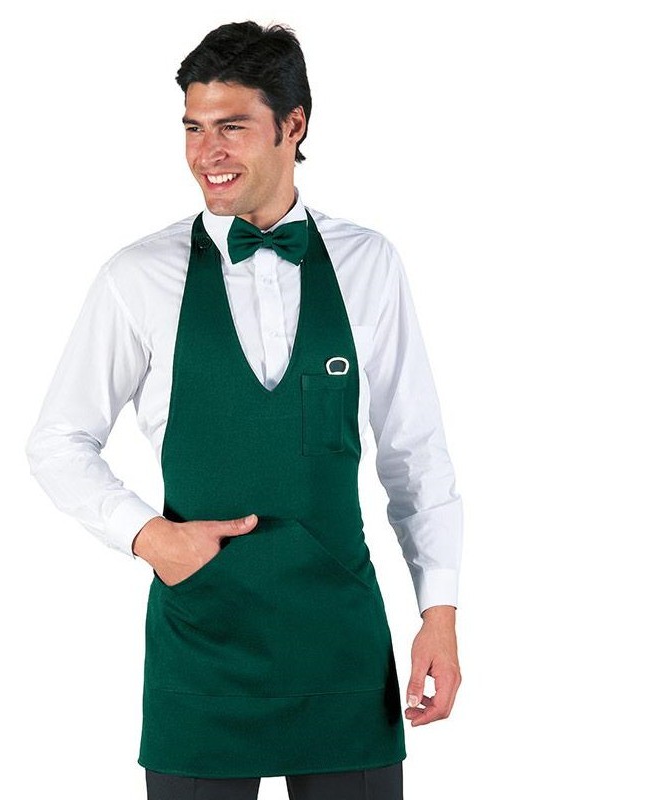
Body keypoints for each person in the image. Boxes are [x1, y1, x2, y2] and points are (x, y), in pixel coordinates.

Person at [25, 20, 463, 800]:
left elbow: (415, 453)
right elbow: (58, 439)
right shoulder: (138, 276)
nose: (207, 152)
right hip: (203, 648)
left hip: (340, 650)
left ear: (294, 126)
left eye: (232, 127)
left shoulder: (368, 263)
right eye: (193, 128)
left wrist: (440, 612)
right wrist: (147, 535)